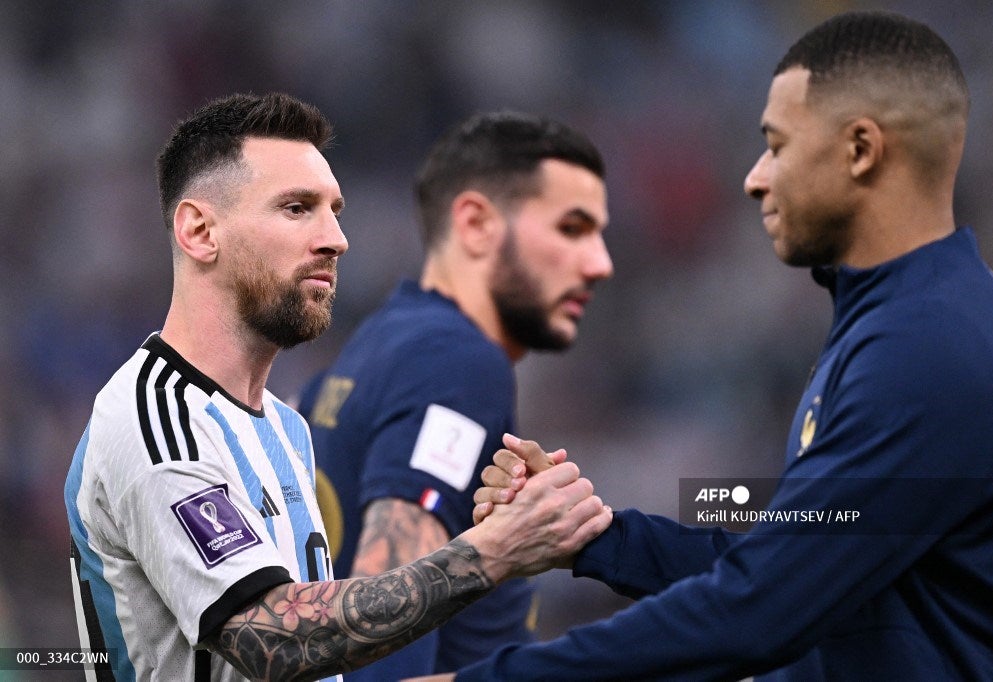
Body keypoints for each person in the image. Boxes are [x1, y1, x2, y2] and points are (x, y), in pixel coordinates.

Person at [434, 10, 993, 681]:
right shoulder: (906, 324)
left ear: (861, 150)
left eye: (777, 144)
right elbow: (788, 566)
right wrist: (596, 538)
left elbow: (759, 611)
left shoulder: (928, 347)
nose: (755, 177)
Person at [63, 92, 612, 682]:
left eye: (335, 210)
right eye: (297, 209)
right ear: (199, 231)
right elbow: (272, 640)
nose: (336, 238)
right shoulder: (156, 420)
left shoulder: (283, 425)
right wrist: (494, 551)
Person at [296, 110, 613, 679]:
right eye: (571, 228)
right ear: (475, 224)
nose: (599, 263)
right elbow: (379, 653)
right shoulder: (456, 362)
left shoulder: (374, 344)